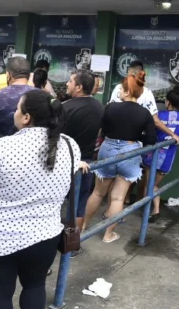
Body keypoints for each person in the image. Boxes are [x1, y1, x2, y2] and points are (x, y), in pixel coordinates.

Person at [0, 90, 82, 309]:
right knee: (35, 287)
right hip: (45, 235)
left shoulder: (2, 148)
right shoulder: (70, 146)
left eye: (18, 108)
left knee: (0, 292)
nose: (15, 112)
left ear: (26, 118)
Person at [83, 71, 157, 244]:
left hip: (108, 148)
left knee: (98, 193)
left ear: (126, 91)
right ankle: (108, 235)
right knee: (118, 198)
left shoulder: (110, 108)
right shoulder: (144, 113)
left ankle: (82, 226)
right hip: (130, 151)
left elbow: (102, 129)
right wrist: (138, 138)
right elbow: (152, 139)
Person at [58, 69, 103, 240]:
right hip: (87, 162)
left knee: (52, 202)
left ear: (79, 87)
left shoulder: (65, 108)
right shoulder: (100, 107)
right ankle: (72, 244)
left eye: (70, 81)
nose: (67, 84)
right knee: (79, 205)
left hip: (64, 163)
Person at [140, 90, 179, 222]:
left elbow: (150, 131)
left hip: (154, 155)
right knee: (154, 185)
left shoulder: (159, 115)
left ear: (168, 102)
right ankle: (156, 210)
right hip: (168, 158)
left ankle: (147, 212)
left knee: (149, 184)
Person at [109, 60, 170, 139]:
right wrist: (173, 134)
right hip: (132, 140)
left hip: (114, 138)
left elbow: (109, 113)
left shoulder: (119, 88)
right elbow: (155, 121)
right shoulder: (120, 88)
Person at [0, 56, 34, 139]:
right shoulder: (41, 96)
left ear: (8, 75)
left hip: (0, 147)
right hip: (32, 148)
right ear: (28, 75)